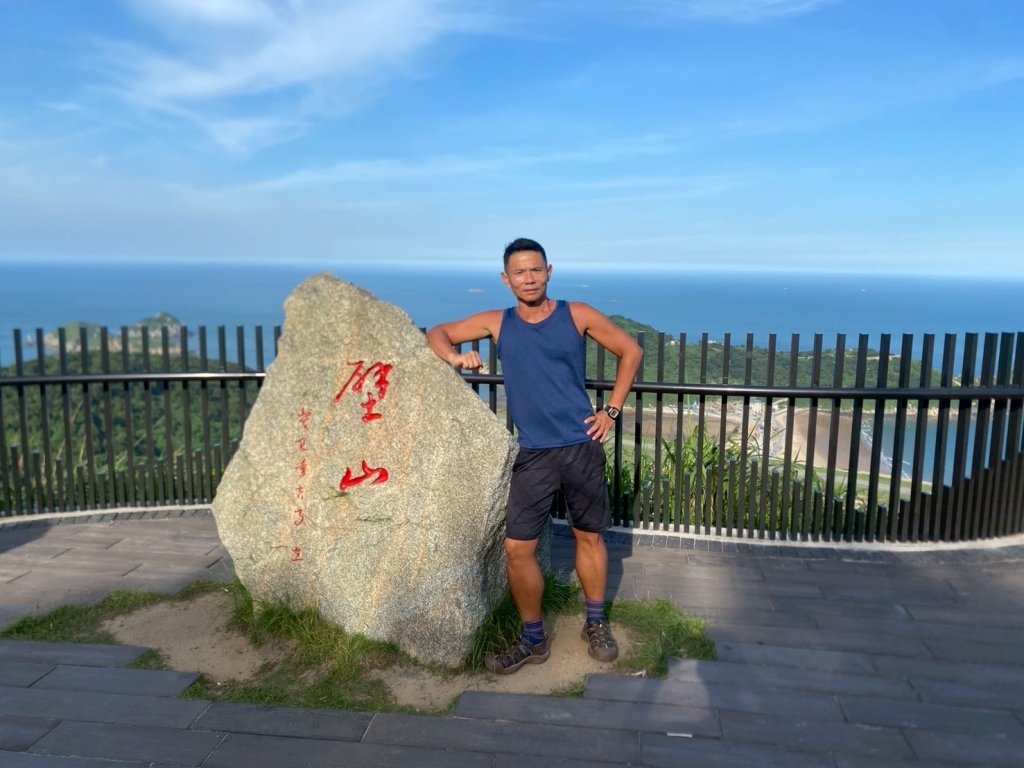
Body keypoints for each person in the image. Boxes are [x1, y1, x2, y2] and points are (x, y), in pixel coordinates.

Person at [427, 238, 643, 674]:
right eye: (519, 272)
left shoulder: (576, 314)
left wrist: (611, 411)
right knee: (517, 548)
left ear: (549, 272)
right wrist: (453, 357)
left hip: (580, 445)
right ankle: (533, 638)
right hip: (533, 453)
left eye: (535, 270)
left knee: (589, 537)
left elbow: (631, 351)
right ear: (506, 279)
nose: (529, 278)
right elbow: (438, 332)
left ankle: (595, 622)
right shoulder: (498, 322)